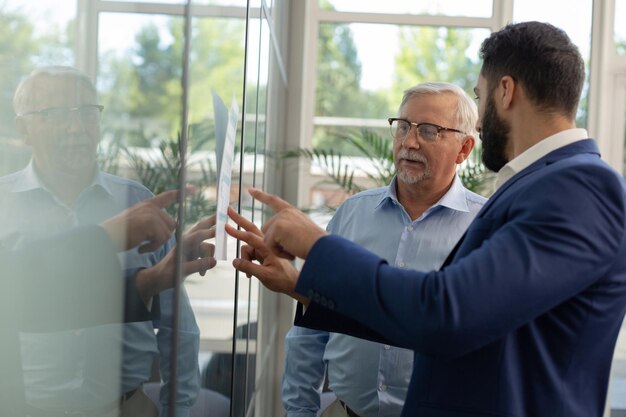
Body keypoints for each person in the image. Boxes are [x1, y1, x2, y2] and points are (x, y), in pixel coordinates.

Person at [228, 21, 626, 417]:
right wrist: (304, 284)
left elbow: (445, 314)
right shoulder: (552, 183)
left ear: (506, 91)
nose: (482, 123)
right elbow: (451, 325)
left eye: (479, 96)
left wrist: (317, 248)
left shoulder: (579, 187)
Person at [0, 66, 209, 417]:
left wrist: (179, 410)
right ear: (24, 129)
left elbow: (177, 326)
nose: (76, 127)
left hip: (128, 406)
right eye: (56, 114)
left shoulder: (139, 204)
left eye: (86, 113)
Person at [277, 82, 486, 417]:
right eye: (403, 126)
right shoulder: (352, 214)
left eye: (429, 131)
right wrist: (299, 411)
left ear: (464, 149)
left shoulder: (485, 227)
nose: (409, 142)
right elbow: (310, 327)